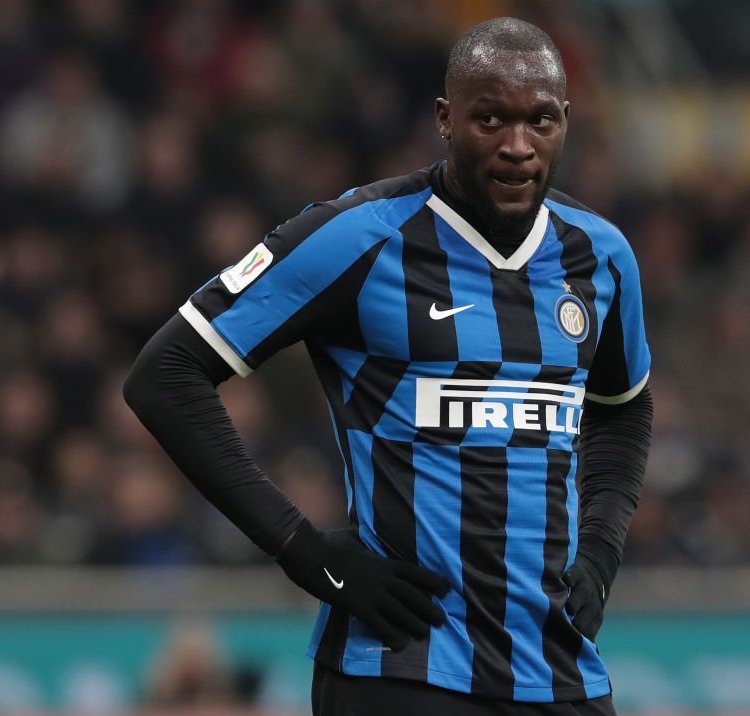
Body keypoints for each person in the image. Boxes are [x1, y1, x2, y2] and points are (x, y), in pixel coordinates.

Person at [125, 17, 653, 716]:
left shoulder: (601, 255)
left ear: (566, 122)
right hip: (401, 668)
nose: (518, 145)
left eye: (540, 120)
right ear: (445, 119)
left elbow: (623, 409)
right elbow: (166, 373)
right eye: (490, 119)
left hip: (559, 671)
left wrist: (603, 548)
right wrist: (302, 549)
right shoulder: (357, 237)